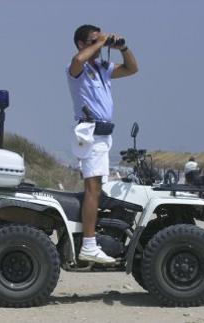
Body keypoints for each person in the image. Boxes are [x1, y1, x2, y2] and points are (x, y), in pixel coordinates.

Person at [67, 24, 138, 263]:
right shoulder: (76, 69)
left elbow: (132, 69)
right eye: (93, 40)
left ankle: (90, 237)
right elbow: (78, 60)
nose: (100, 43)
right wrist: (101, 42)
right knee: (93, 189)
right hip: (91, 134)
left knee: (97, 188)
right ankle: (88, 245)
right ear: (81, 43)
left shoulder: (101, 68)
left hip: (104, 136)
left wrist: (122, 47)